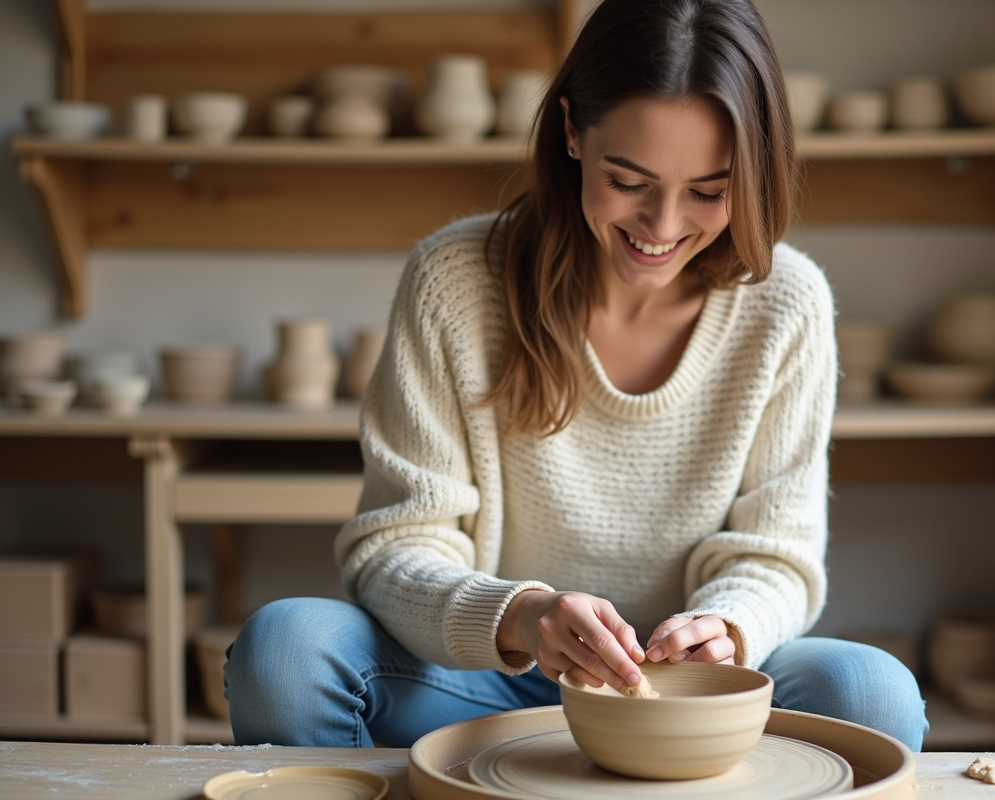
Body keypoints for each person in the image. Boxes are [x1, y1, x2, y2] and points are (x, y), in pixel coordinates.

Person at [225, 0, 928, 752]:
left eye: (708, 190)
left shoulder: (787, 302)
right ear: (570, 131)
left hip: (688, 694)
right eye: (629, 180)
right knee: (286, 650)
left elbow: (776, 554)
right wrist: (522, 616)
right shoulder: (454, 281)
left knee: (871, 693)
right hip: (486, 681)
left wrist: (728, 627)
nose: (662, 228)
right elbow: (398, 543)